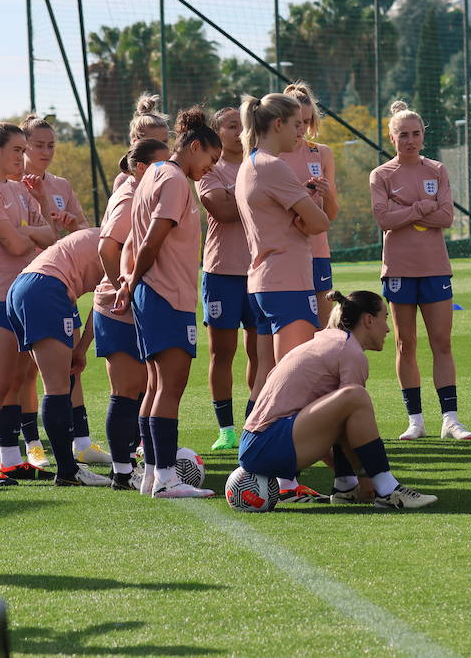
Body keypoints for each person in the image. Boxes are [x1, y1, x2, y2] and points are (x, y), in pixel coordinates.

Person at [239, 290, 437, 509]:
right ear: (369, 320)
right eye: (385, 319)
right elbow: (351, 414)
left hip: (260, 445)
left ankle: (345, 488)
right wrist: (366, 477)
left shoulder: (331, 342)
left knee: (350, 403)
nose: (388, 328)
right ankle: (388, 491)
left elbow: (343, 425)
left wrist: (354, 478)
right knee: (356, 396)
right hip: (267, 446)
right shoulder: (349, 351)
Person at [116, 108, 222, 498]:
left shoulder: (153, 175)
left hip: (154, 293)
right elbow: (152, 239)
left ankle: (150, 476)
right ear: (194, 147)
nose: (210, 168)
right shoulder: (175, 179)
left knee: (156, 386)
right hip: (165, 294)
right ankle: (165, 477)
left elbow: (141, 239)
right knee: (169, 387)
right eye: (210, 159)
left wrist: (133, 280)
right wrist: (132, 281)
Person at [236, 92, 333, 503]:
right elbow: (319, 222)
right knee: (292, 384)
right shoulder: (274, 166)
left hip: (263, 282)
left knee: (267, 380)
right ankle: (283, 480)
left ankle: (256, 469)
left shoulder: (248, 165)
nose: (302, 133)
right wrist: (309, 205)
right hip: (287, 282)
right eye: (296, 125)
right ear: (277, 125)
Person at [370, 101, 471, 441]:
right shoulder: (382, 175)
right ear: (391, 137)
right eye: (403, 135)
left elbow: (445, 217)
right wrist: (419, 208)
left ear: (423, 136)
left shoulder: (437, 170)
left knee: (442, 342)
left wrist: (406, 211)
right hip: (399, 269)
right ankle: (415, 420)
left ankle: (451, 419)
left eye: (415, 134)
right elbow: (384, 219)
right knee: (405, 344)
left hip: (435, 268)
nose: (410, 140)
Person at [16, 113, 108, 470]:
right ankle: (33, 444)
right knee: (26, 370)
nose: (45, 151)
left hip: (61, 286)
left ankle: (81, 443)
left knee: (71, 363)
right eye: (38, 145)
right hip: (29, 284)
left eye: (51, 145)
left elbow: (90, 237)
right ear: (22, 148)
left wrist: (71, 226)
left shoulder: (61, 186)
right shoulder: (9, 187)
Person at [0, 121, 57, 484]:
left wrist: (32, 224)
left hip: (23, 296)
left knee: (19, 379)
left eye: (25, 150)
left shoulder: (20, 190)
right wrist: (29, 234)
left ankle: (9, 459)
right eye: (17, 150)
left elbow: (50, 236)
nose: (24, 158)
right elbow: (17, 246)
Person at [5, 228, 112, 487]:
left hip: (25, 287)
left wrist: (80, 349)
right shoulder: (119, 242)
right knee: (57, 386)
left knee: (62, 381)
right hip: (46, 289)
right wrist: (83, 347)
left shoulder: (104, 233)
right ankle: (67, 470)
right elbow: (105, 302)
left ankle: (68, 465)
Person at [94, 139, 168, 489]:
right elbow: (107, 247)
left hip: (131, 300)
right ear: (140, 168)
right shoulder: (128, 197)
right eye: (159, 163)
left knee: (140, 387)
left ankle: (138, 463)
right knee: (126, 390)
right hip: (117, 304)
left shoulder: (144, 194)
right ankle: (122, 471)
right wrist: (122, 286)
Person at [197, 107, 267, 452]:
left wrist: (238, 195)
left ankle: (255, 420)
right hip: (221, 271)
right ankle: (226, 429)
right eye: (230, 126)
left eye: (241, 126)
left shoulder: (261, 163)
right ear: (217, 132)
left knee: (260, 351)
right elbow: (222, 212)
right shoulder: (209, 169)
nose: (238, 131)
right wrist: (256, 197)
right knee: (221, 353)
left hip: (259, 271)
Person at [280, 82, 340, 326]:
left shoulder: (322, 153)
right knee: (291, 329)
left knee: (323, 329)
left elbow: (331, 215)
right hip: (283, 253)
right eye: (297, 122)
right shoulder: (270, 154)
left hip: (317, 252)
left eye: (306, 121)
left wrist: (327, 195)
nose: (302, 128)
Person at [111, 94, 170, 191]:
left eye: (164, 143)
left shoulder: (172, 175)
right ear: (136, 143)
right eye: (153, 144)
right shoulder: (124, 181)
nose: (161, 149)